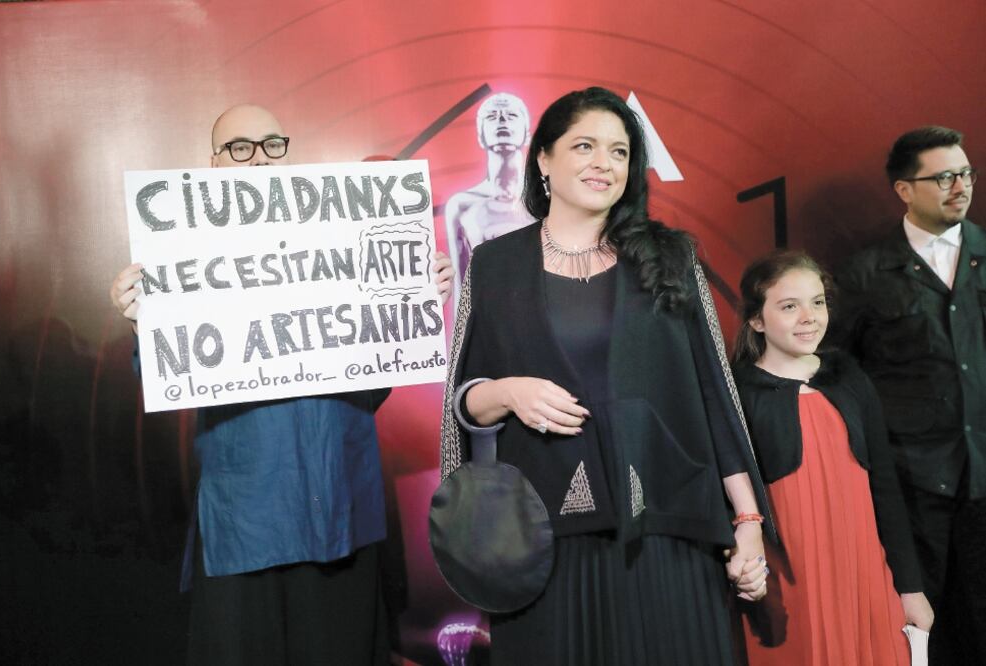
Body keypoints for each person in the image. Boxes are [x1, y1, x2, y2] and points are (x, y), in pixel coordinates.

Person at [109, 103, 454, 665]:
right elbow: (163, 381)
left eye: (272, 144)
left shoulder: (344, 239)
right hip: (247, 517)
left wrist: (413, 301)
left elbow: (371, 388)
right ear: (214, 164)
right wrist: (142, 323)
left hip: (339, 504)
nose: (259, 160)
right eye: (240, 148)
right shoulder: (178, 254)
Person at [439, 87, 772, 665]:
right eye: (585, 146)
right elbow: (465, 405)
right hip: (546, 543)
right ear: (542, 159)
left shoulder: (671, 257)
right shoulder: (496, 264)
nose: (604, 164)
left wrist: (747, 520)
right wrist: (511, 391)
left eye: (619, 152)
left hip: (670, 532)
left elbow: (714, 397)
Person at [732, 250, 934, 665]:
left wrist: (910, 589)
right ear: (757, 320)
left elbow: (885, 490)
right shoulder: (738, 393)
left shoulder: (848, 377)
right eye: (790, 306)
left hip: (863, 572)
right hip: (790, 582)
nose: (809, 317)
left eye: (818, 302)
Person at [830, 126, 986, 664]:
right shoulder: (865, 275)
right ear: (904, 190)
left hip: (985, 478)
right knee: (926, 631)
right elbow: (835, 372)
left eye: (964, 173)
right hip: (915, 485)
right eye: (943, 177)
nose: (959, 186)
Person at [444, 92, 534, 316]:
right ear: (480, 135)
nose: (502, 120)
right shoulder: (461, 206)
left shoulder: (549, 202)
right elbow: (461, 292)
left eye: (511, 115)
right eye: (492, 116)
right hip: (488, 330)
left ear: (527, 133)